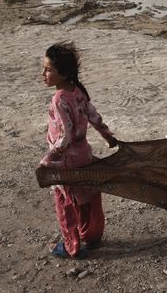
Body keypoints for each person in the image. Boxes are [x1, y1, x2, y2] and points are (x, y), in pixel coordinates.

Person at [40, 41, 117, 259]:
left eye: (48, 69)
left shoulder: (59, 99)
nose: (43, 73)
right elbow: (94, 116)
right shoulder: (79, 90)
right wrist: (108, 136)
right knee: (87, 196)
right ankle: (92, 237)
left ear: (63, 74)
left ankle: (70, 246)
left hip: (66, 161)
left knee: (65, 203)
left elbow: (66, 136)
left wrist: (46, 160)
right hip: (84, 155)